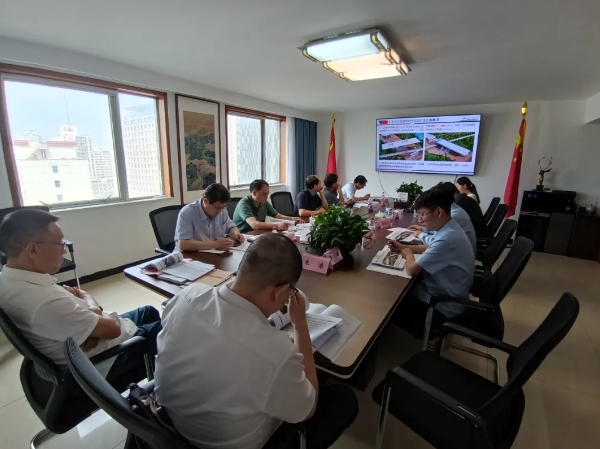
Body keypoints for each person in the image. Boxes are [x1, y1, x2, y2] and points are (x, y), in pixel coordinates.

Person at [154, 233, 358, 449]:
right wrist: (300, 327)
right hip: (226, 443)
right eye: (290, 292)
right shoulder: (274, 351)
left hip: (172, 426)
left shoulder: (188, 295)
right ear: (280, 292)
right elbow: (308, 409)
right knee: (342, 400)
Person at [0, 209, 162, 383]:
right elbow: (113, 330)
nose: (63, 251)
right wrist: (91, 305)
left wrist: (91, 320)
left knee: (149, 311)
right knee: (170, 329)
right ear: (33, 249)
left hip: (81, 338)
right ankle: (165, 375)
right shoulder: (44, 301)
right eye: (59, 243)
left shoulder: (10, 280)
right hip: (103, 361)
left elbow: (78, 311)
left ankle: (158, 369)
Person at [387, 188, 475, 339]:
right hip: (446, 293)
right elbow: (431, 247)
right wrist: (403, 247)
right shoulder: (450, 228)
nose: (420, 219)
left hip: (442, 307)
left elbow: (412, 269)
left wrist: (408, 254)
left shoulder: (447, 238)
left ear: (438, 212)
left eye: (422, 214)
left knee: (388, 302)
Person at [174, 183, 244, 252]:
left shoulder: (222, 211)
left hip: (213, 253)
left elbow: (231, 227)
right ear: (205, 201)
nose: (220, 211)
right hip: (189, 256)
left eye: (223, 207)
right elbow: (183, 245)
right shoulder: (187, 213)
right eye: (217, 207)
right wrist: (214, 244)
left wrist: (236, 234)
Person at [409, 182, 477, 252]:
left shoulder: (453, 215)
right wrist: (423, 229)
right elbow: (439, 234)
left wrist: (420, 234)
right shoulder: (454, 210)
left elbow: (435, 242)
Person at [233, 179, 298, 233]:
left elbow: (277, 215)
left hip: (257, 233)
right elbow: (254, 224)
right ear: (254, 193)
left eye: (267, 194)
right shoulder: (244, 204)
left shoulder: (263, 202)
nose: (267, 197)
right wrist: (277, 225)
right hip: (244, 236)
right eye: (264, 194)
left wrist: (293, 219)